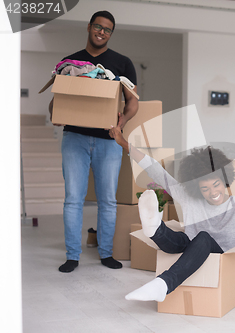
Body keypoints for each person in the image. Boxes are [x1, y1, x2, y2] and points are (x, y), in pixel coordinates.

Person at [109, 126, 235, 302]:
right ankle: (155, 229)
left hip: (224, 255)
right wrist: (123, 143)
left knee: (203, 238)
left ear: (225, 180)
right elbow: (156, 170)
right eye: (205, 188)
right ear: (197, 188)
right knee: (183, 239)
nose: (213, 192)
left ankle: (164, 283)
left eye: (216, 184)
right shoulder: (189, 198)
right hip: (192, 249)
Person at [49, 11, 139, 273]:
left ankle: (106, 253)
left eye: (107, 29)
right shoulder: (70, 62)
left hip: (107, 141)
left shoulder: (122, 63)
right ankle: (72, 256)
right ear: (89, 27)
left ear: (111, 33)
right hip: (73, 137)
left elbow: (133, 103)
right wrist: (55, 113)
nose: (101, 32)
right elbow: (57, 102)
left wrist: (121, 125)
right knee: (73, 199)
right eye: (98, 27)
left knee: (108, 201)